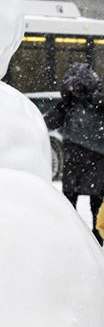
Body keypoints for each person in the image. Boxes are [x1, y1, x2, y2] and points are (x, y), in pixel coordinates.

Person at [45, 62, 104, 245]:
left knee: (74, 202)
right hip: (91, 162)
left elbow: (48, 122)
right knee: (89, 201)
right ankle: (91, 238)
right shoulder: (83, 103)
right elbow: (50, 121)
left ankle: (77, 237)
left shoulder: (73, 104)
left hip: (79, 161)